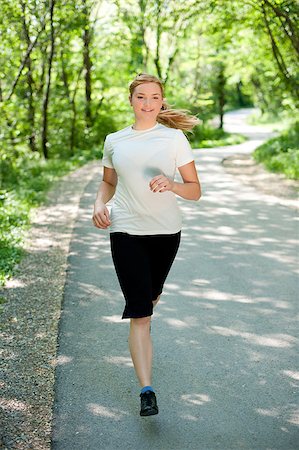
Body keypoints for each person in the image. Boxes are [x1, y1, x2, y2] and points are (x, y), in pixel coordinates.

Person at [92, 73, 201, 417]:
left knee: (151, 297)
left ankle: (147, 309)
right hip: (124, 228)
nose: (148, 103)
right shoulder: (115, 140)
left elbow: (195, 190)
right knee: (139, 311)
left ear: (161, 101)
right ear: (131, 100)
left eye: (155, 97)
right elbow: (107, 182)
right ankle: (147, 390)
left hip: (166, 232)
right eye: (141, 97)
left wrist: (171, 184)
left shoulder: (174, 139)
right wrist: (99, 204)